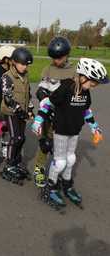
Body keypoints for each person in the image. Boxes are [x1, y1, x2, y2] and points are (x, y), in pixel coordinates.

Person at [32, 58, 109, 209]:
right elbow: (48, 103)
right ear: (84, 76)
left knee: (71, 159)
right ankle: (51, 186)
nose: (93, 86)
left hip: (74, 131)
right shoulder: (66, 87)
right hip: (61, 131)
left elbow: (86, 110)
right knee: (60, 161)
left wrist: (94, 126)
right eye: (93, 83)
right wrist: (38, 120)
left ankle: (67, 185)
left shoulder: (85, 92)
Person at [33, 37, 75, 187]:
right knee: (45, 143)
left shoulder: (74, 71)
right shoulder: (48, 69)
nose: (56, 61)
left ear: (67, 55)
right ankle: (39, 169)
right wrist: (43, 99)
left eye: (59, 57)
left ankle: (60, 172)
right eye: (54, 58)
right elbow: (41, 90)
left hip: (65, 116)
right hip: (49, 113)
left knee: (63, 147)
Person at [0, 47, 34, 184]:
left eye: (27, 65)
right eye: (22, 64)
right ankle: (9, 164)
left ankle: (16, 161)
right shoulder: (7, 77)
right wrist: (20, 111)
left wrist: (30, 109)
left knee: (22, 138)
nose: (25, 67)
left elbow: (28, 94)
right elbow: (7, 98)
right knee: (15, 137)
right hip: (10, 112)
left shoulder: (25, 76)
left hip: (22, 112)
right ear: (14, 62)